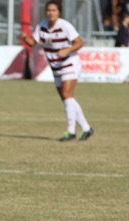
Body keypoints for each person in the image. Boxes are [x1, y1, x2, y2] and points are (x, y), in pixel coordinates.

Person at [20, 0, 94, 141]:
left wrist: (67, 49)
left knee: (67, 94)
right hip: (56, 67)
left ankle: (71, 131)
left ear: (59, 12)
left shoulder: (65, 25)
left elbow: (79, 42)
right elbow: (33, 43)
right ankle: (86, 128)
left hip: (70, 64)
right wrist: (25, 38)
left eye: (54, 10)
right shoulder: (41, 26)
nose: (51, 13)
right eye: (49, 10)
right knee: (67, 99)